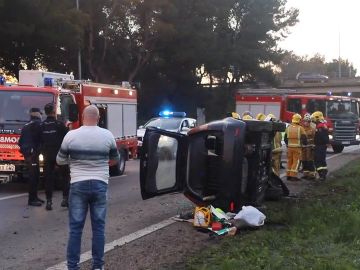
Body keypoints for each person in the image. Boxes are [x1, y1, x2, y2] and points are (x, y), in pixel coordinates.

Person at [56, 105, 119, 270]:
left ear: (83, 117)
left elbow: (60, 160)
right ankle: (98, 266)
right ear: (98, 118)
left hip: (78, 184)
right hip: (100, 184)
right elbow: (115, 159)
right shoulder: (107, 135)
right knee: (99, 227)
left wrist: (75, 162)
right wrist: (100, 163)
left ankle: (72, 266)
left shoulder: (71, 135)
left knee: (75, 228)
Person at [40, 103, 69, 210]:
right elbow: (67, 139)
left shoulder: (42, 126)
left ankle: (49, 202)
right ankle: (65, 199)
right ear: (53, 112)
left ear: (46, 112)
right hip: (60, 155)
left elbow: (39, 141)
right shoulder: (60, 124)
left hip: (47, 156)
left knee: (48, 179)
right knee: (65, 177)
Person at [18, 108, 44, 206]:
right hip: (33, 154)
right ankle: (32, 199)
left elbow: (20, 142)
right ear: (38, 114)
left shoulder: (26, 125)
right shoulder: (37, 125)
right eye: (41, 113)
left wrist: (26, 152)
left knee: (35, 175)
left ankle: (35, 197)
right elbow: (41, 140)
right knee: (34, 177)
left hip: (28, 154)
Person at [284, 114, 307, 181]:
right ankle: (293, 176)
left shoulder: (288, 127)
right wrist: (304, 144)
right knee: (296, 162)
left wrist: (288, 145)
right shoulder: (301, 128)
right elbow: (304, 138)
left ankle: (288, 175)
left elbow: (285, 138)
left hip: (289, 147)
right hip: (297, 148)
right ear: (299, 120)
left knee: (289, 161)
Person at [311, 111, 329, 180]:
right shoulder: (321, 125)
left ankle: (322, 174)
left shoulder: (320, 127)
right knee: (321, 160)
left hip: (320, 146)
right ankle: (323, 172)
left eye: (314, 119)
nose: (313, 120)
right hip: (320, 146)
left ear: (317, 118)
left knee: (318, 160)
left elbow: (322, 137)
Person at [301, 113, 316, 179]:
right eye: (305, 121)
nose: (306, 123)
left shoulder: (312, 129)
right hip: (303, 147)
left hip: (310, 147)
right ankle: (305, 174)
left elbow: (315, 138)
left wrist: (313, 146)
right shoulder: (302, 129)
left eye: (307, 121)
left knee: (310, 161)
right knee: (304, 160)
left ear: (309, 122)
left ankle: (312, 174)